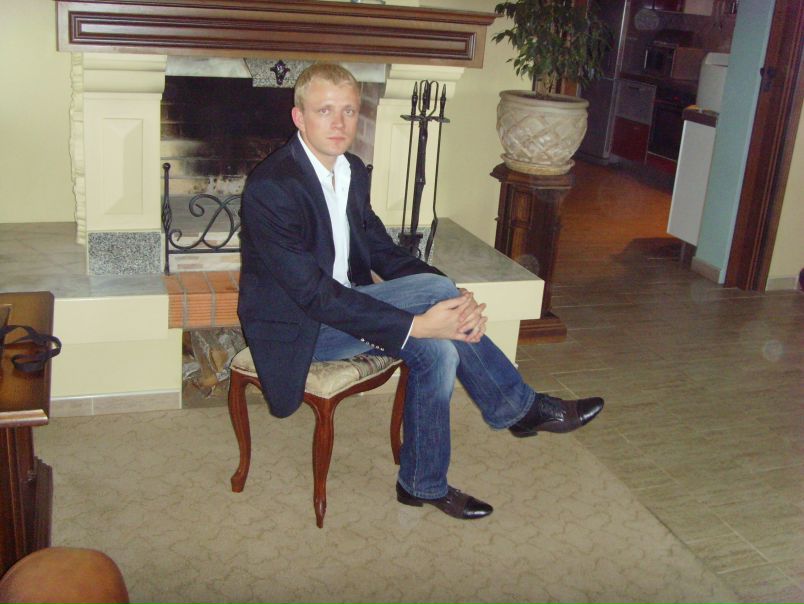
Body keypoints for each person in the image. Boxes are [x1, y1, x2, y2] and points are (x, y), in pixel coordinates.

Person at [238, 63, 604, 520]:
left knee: (441, 351)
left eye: (349, 111)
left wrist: (450, 295)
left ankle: (421, 483)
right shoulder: (272, 187)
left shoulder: (351, 170)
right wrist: (419, 321)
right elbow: (314, 296)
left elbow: (380, 250)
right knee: (434, 318)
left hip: (347, 306)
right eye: (324, 110)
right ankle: (519, 408)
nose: (339, 123)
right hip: (302, 328)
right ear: (299, 117)